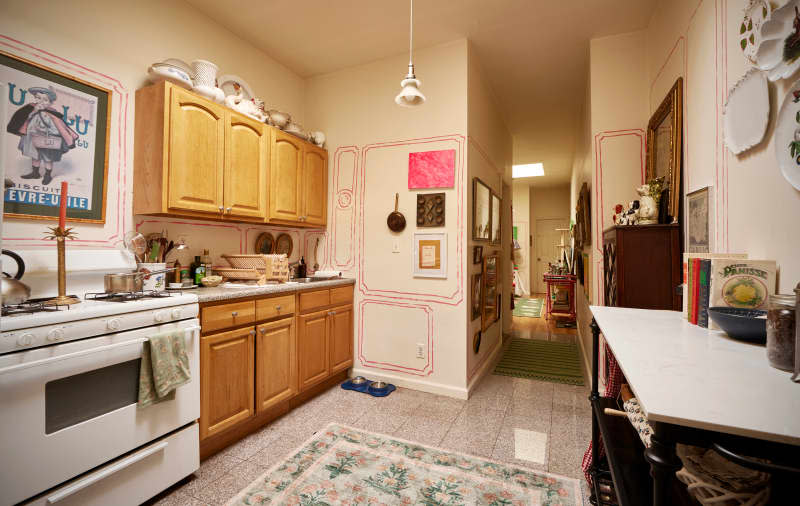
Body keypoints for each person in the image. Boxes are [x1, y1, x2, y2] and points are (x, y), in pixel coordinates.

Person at [6, 86, 79, 186]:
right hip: (31, 137)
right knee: (34, 155)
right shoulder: (31, 108)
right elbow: (24, 120)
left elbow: (58, 128)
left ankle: (47, 175)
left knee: (47, 157)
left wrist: (44, 130)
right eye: (38, 98)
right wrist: (33, 112)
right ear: (35, 98)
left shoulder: (52, 113)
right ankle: (35, 173)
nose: (41, 101)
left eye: (45, 100)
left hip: (46, 139)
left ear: (50, 102)